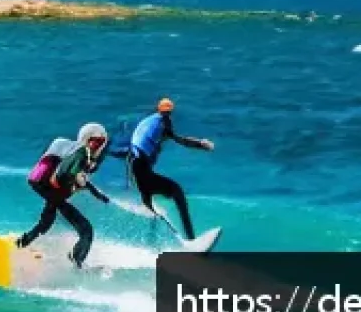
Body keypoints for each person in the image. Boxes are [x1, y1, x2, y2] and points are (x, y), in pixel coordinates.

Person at [15, 122, 111, 268]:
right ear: (87, 139)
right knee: (86, 230)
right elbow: (64, 174)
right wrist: (73, 181)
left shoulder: (80, 153)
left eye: (101, 142)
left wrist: (96, 193)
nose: (100, 145)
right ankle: (76, 261)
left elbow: (77, 176)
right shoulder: (81, 153)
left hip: (48, 190)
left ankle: (22, 242)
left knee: (46, 222)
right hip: (51, 190)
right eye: (97, 141)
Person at [128, 98, 213, 240]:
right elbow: (181, 140)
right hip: (141, 169)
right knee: (177, 191)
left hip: (135, 169)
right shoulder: (163, 123)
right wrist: (201, 144)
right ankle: (191, 240)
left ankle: (151, 244)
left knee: (151, 210)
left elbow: (135, 147)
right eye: (167, 114)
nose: (168, 117)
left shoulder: (147, 122)